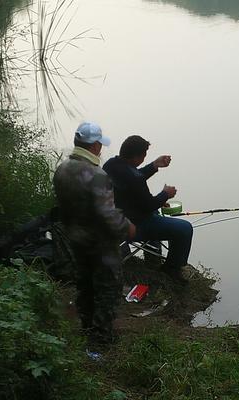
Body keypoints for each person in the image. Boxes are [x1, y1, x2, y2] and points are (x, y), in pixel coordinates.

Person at [53, 122, 135, 344]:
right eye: (100, 144)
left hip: (75, 239)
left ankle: (87, 326)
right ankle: (101, 338)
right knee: (108, 288)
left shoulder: (62, 169)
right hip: (100, 243)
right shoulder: (97, 174)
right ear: (95, 145)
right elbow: (106, 213)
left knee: (85, 284)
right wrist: (127, 226)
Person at [103, 135, 193, 282]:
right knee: (184, 229)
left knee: (155, 211)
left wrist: (154, 165)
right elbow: (148, 204)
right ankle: (171, 268)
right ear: (138, 156)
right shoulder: (134, 177)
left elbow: (132, 178)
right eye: (144, 155)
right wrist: (165, 194)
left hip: (113, 218)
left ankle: (152, 256)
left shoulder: (111, 164)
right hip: (133, 225)